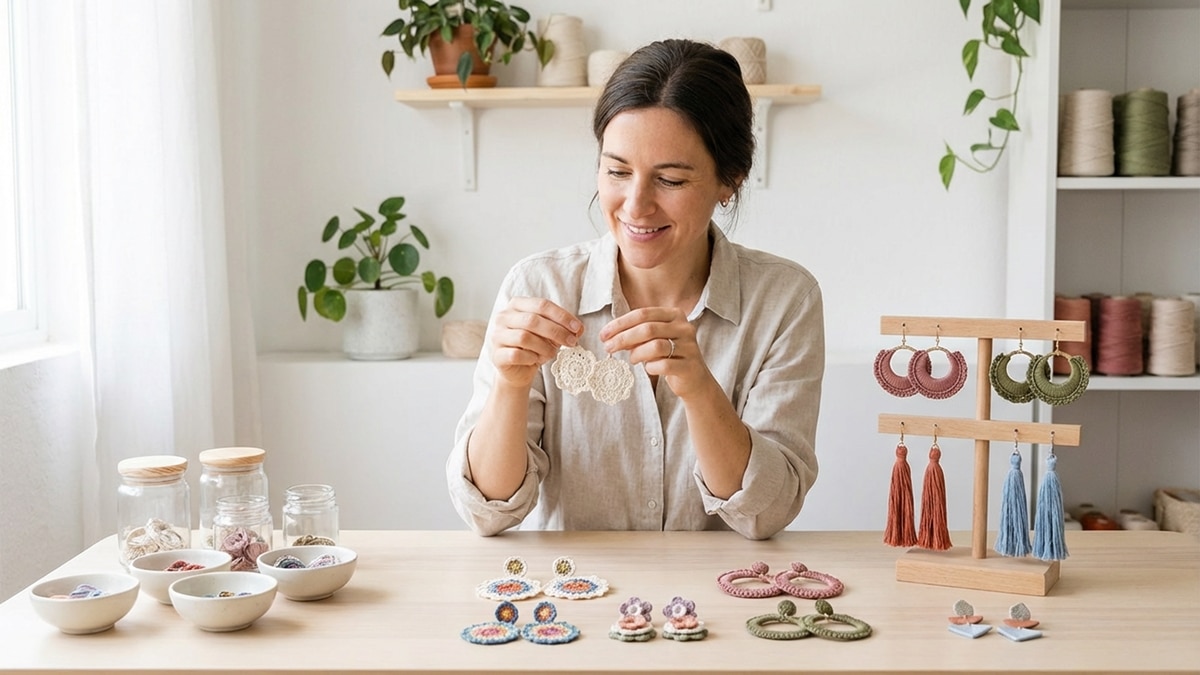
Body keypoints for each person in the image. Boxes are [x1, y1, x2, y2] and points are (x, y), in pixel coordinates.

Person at [446, 38, 824, 540]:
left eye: (669, 180)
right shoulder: (538, 286)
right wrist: (510, 386)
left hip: (717, 603)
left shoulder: (783, 301)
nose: (635, 205)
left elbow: (765, 515)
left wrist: (698, 387)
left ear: (729, 178)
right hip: (576, 600)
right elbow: (488, 513)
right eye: (618, 171)